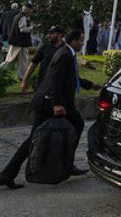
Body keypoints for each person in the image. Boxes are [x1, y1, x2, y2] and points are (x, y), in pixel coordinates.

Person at [0, 29, 98, 190]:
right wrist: (56, 104)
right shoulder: (65, 54)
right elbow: (54, 80)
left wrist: (92, 85)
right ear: (73, 41)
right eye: (81, 40)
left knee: (76, 125)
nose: (83, 43)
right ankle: (7, 175)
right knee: (34, 139)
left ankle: (66, 164)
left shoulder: (66, 52)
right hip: (50, 103)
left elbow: (71, 78)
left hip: (57, 102)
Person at [19, 26, 65, 92]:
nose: (49, 36)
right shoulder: (44, 47)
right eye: (49, 33)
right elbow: (33, 64)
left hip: (60, 84)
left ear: (60, 34)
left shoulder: (65, 49)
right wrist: (24, 81)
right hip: (44, 83)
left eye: (52, 33)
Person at [1, 3, 34, 80]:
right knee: (19, 60)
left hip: (16, 42)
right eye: (31, 10)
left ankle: (21, 76)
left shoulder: (17, 16)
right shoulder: (23, 17)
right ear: (28, 9)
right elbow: (22, 29)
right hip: (21, 42)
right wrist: (32, 27)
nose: (31, 11)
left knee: (13, 60)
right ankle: (21, 76)